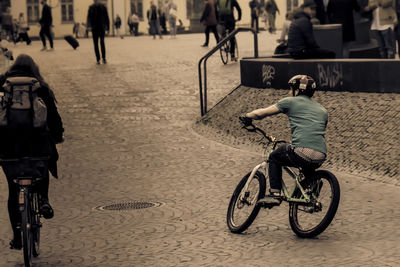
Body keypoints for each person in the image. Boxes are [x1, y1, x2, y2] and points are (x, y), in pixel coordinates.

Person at [0, 54, 64, 250]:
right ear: (33, 69)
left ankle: (18, 236)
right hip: (36, 145)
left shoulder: (2, 86)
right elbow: (53, 117)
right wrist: (58, 135)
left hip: (8, 147)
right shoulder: (40, 87)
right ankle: (43, 200)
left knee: (13, 190)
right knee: (43, 165)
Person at [241, 75, 328, 205]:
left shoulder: (290, 102)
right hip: (321, 154)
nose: (289, 92)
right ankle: (312, 187)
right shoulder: (323, 110)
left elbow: (262, 113)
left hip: (302, 150)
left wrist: (247, 116)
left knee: (275, 157)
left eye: (291, 89)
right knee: (307, 167)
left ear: (297, 90)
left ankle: (275, 194)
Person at [87, 0, 110, 64]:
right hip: (99, 27)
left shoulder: (92, 7)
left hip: (96, 27)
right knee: (101, 42)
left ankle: (99, 59)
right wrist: (108, 27)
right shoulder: (102, 7)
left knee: (97, 43)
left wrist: (89, 26)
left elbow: (88, 17)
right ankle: (102, 58)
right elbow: (107, 18)